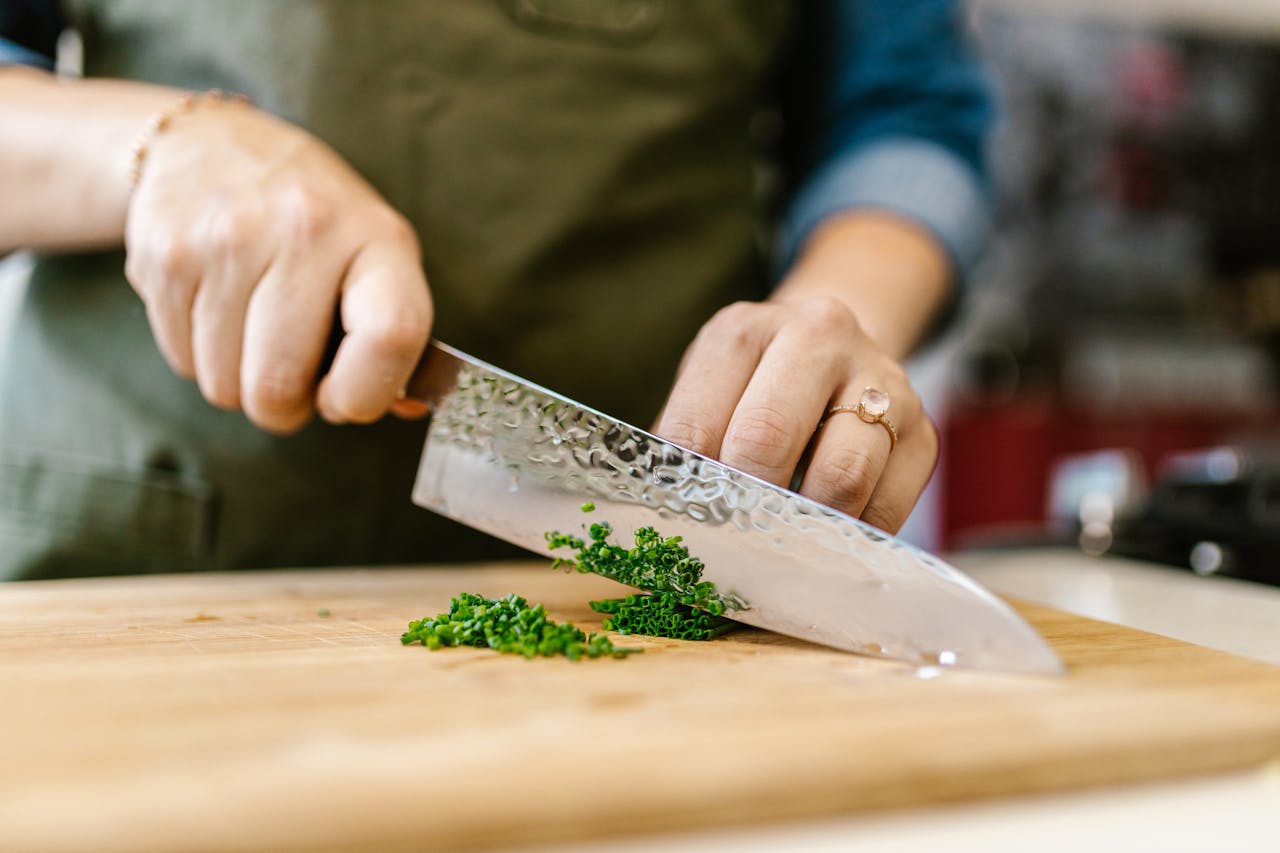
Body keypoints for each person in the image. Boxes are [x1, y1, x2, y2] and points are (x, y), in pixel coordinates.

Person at [0, 0, 992, 580]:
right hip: (131, 560)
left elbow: (901, 113)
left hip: (635, 562)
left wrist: (834, 326)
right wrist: (157, 152)